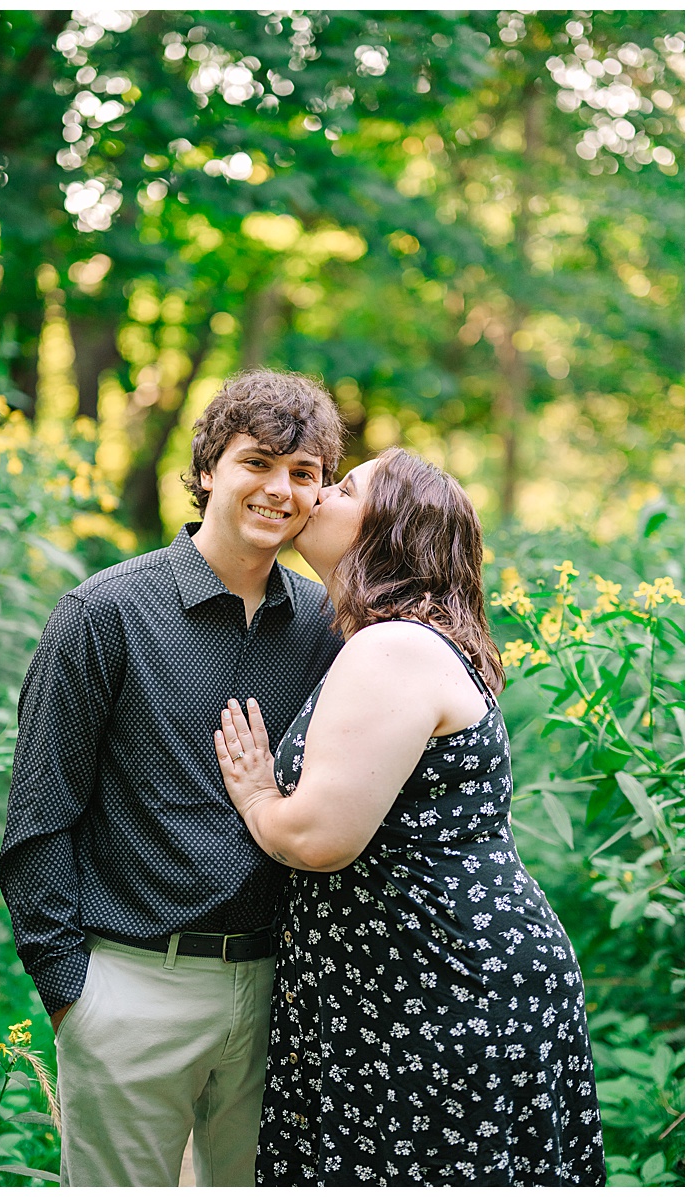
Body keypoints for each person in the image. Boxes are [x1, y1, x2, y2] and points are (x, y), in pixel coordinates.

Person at [214, 447, 605, 1184]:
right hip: (421, 988)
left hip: (444, 990)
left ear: (389, 528)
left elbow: (320, 838)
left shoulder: (392, 648)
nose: (320, 494)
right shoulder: (402, 641)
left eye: (346, 485)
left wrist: (260, 795)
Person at [0, 370, 347, 1186]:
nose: (279, 489)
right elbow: (40, 812)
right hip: (131, 986)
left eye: (304, 473)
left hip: (281, 994)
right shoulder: (104, 613)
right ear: (208, 470)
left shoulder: (330, 630)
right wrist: (71, 994)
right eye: (258, 462)